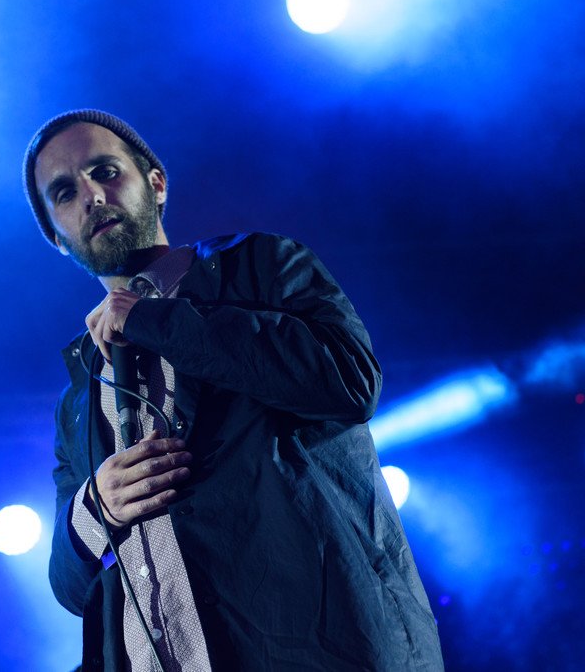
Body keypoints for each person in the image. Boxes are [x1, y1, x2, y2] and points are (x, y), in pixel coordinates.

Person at [22, 109, 444, 671]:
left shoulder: (262, 267)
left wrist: (152, 317)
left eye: (105, 171)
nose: (92, 196)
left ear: (156, 183)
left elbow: (350, 381)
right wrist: (97, 504)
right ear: (57, 237)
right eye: (65, 192)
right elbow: (69, 587)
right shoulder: (79, 398)